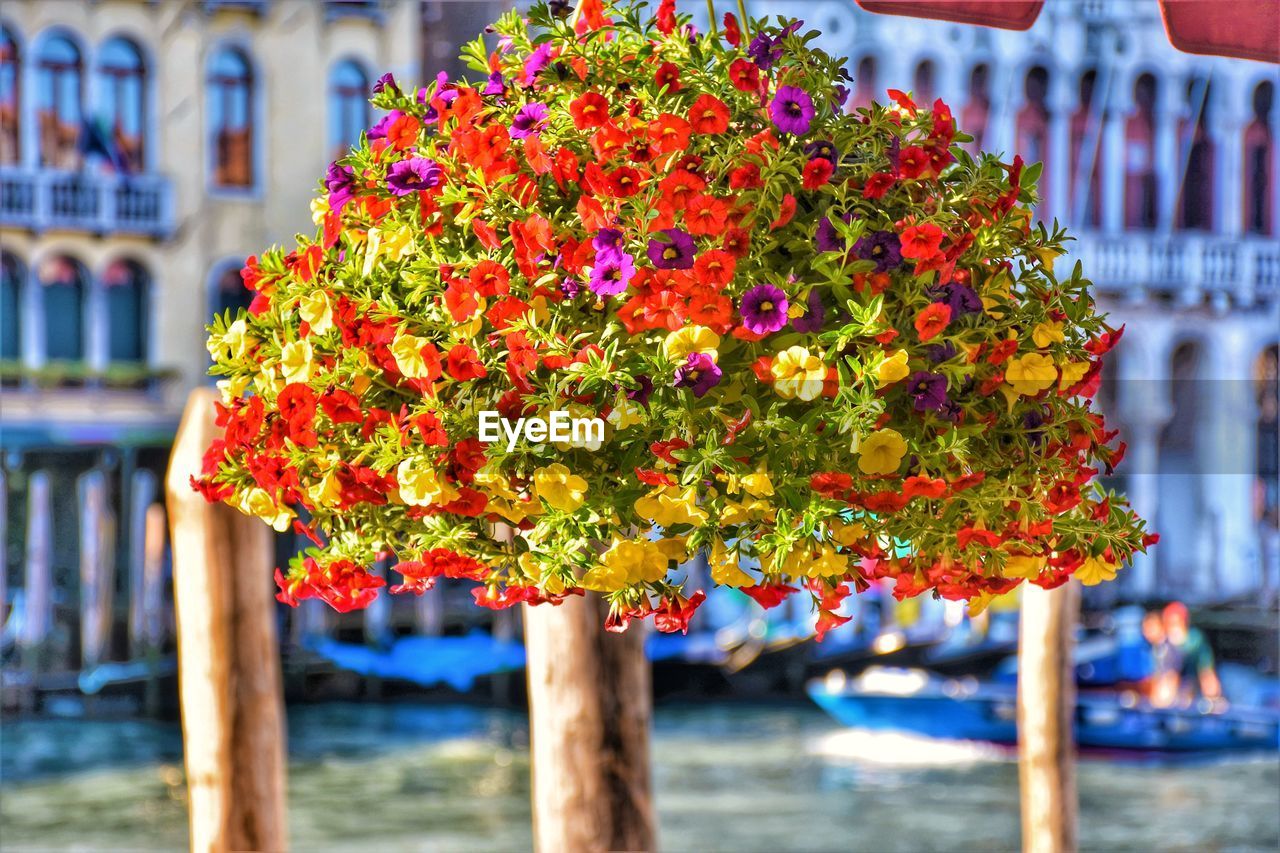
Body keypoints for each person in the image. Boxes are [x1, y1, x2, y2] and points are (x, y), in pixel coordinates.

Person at [1161, 601, 1223, 704]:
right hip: (1172, 697)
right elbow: (1165, 679)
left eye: (1177, 622)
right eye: (1170, 623)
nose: (1174, 627)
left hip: (1194, 693)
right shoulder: (1165, 644)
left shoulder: (1195, 639)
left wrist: (1213, 696)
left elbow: (1207, 672)